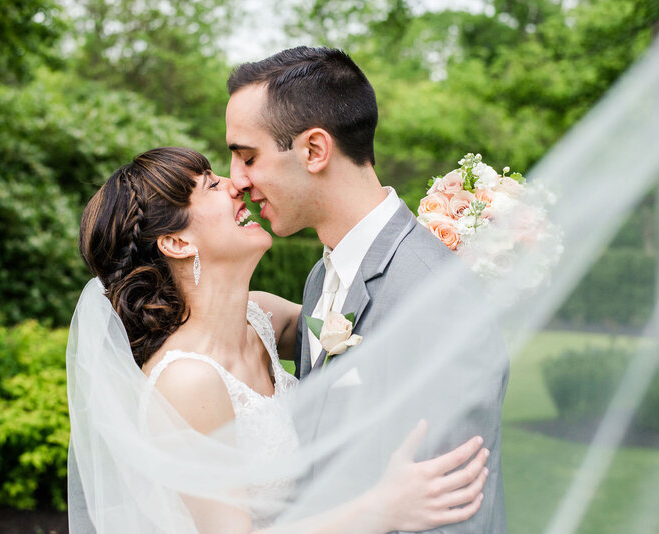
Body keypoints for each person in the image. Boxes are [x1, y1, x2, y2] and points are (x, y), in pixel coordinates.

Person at [67, 147, 491, 533]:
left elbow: (371, 311)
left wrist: (452, 231)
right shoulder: (187, 381)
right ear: (177, 242)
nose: (235, 186)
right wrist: (380, 508)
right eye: (212, 185)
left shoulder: (262, 316)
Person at [225, 46, 508, 533]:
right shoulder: (323, 277)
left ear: (314, 150)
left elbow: (454, 512)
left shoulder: (434, 296)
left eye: (248, 157)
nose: (237, 180)